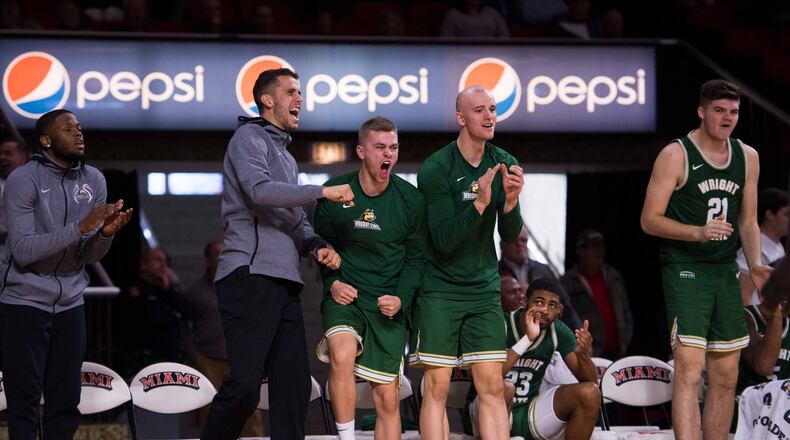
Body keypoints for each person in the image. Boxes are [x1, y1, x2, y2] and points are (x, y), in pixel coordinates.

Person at [200, 68, 353, 440]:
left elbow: (294, 220)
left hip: (284, 282)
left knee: (294, 388)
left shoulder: (286, 157)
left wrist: (317, 245)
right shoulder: (248, 137)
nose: (299, 99)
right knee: (246, 387)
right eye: (291, 92)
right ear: (267, 100)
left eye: (300, 92)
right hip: (249, 275)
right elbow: (260, 192)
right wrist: (321, 191)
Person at [640, 79, 772, 440]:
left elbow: (747, 220)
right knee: (689, 368)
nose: (728, 118)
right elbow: (649, 220)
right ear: (702, 111)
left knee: (727, 373)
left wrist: (756, 263)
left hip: (724, 269)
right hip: (685, 267)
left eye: (734, 112)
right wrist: (696, 232)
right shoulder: (676, 154)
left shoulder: (747, 156)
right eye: (719, 111)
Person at [0, 109, 133, 439]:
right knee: (24, 401)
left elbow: (87, 255)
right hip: (23, 302)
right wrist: (81, 226)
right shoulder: (22, 180)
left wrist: (104, 235)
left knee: (65, 401)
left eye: (79, 127)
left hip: (71, 304)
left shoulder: (95, 180)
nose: (78, 133)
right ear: (46, 140)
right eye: (67, 128)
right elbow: (24, 250)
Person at [411, 85, 524, 440]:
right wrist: (478, 204)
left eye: (492, 108)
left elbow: (509, 236)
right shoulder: (436, 167)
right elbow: (443, 240)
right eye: (479, 110)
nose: (490, 116)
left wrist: (510, 202)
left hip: (483, 288)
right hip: (440, 288)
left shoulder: (503, 160)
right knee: (437, 388)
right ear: (461, 117)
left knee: (492, 386)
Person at [314, 116, 426, 440]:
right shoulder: (336, 194)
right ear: (362, 151)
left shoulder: (411, 200)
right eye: (380, 147)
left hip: (387, 303)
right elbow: (320, 247)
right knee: (342, 353)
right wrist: (331, 282)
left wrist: (402, 298)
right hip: (344, 295)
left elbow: (417, 260)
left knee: (388, 398)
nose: (387, 155)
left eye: (393, 147)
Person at [467, 278, 600, 439]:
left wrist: (583, 355)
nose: (545, 310)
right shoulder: (500, 322)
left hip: (527, 412)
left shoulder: (558, 331)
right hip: (484, 409)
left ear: (559, 310)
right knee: (505, 388)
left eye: (552, 305)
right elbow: (490, 378)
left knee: (590, 393)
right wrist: (527, 340)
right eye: (539, 302)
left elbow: (591, 381)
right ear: (524, 302)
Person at [183, 241, 263, 436]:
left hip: (241, 358)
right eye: (216, 254)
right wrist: (195, 355)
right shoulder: (195, 291)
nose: (220, 257)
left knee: (250, 410)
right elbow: (183, 325)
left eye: (224, 253)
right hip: (208, 359)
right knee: (208, 410)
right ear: (207, 259)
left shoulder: (246, 286)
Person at [559, 229, 633, 359]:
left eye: (601, 247)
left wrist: (625, 339)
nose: (599, 251)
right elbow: (565, 319)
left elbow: (626, 311)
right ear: (580, 250)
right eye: (593, 247)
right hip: (590, 353)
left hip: (618, 352)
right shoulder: (567, 282)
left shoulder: (613, 276)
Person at [500, 226, 582, 329]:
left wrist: (578, 332)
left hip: (545, 330)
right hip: (508, 329)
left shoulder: (544, 269)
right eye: (514, 240)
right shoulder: (494, 272)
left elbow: (565, 304)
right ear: (502, 245)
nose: (520, 244)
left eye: (524, 240)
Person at [737, 188, 789, 305]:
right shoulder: (754, 249)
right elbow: (744, 294)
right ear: (770, 214)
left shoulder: (778, 245)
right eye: (786, 214)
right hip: (759, 319)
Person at [0, 136, 30, 255]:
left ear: (22, 158)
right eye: (0, 153)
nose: (2, 157)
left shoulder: (40, 185)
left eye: (7, 153)